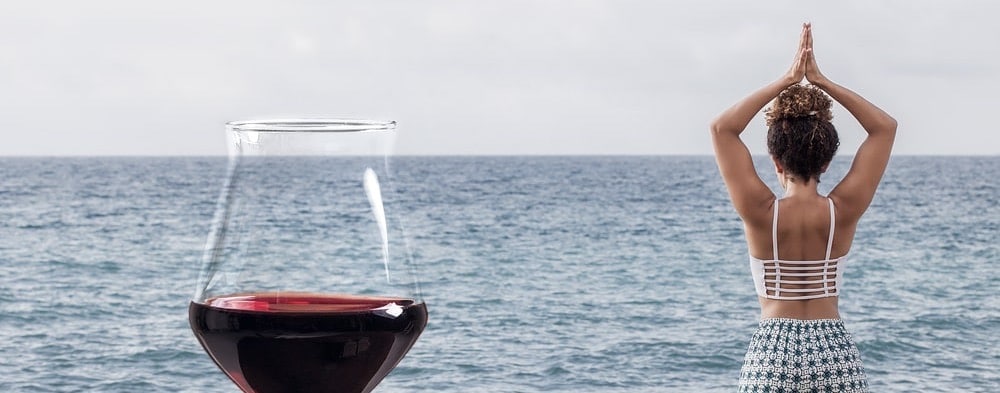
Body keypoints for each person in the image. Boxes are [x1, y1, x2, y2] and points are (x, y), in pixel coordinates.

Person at [710, 23, 896, 392]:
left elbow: (722, 129)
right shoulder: (843, 211)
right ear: (826, 162)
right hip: (832, 349)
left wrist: (787, 79)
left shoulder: (760, 212)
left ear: (776, 161)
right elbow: (884, 128)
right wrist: (822, 82)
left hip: (773, 351)